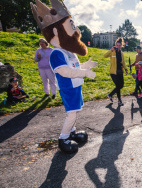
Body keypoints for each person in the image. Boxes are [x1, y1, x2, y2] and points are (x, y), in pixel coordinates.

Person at [31, 0, 97, 154]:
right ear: (55, 32)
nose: (76, 31)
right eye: (71, 27)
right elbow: (65, 72)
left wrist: (86, 66)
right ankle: (64, 138)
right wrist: (85, 73)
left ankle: (72, 132)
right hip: (68, 87)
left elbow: (75, 68)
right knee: (72, 112)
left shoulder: (69, 52)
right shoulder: (56, 53)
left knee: (76, 111)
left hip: (75, 86)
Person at [104, 37, 128, 106]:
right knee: (118, 86)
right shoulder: (112, 52)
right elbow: (105, 56)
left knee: (121, 85)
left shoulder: (121, 53)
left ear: (121, 45)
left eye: (119, 45)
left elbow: (123, 62)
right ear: (115, 45)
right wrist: (110, 50)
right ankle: (119, 101)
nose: (118, 46)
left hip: (120, 71)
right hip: (113, 72)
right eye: (117, 45)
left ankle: (110, 95)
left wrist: (125, 69)